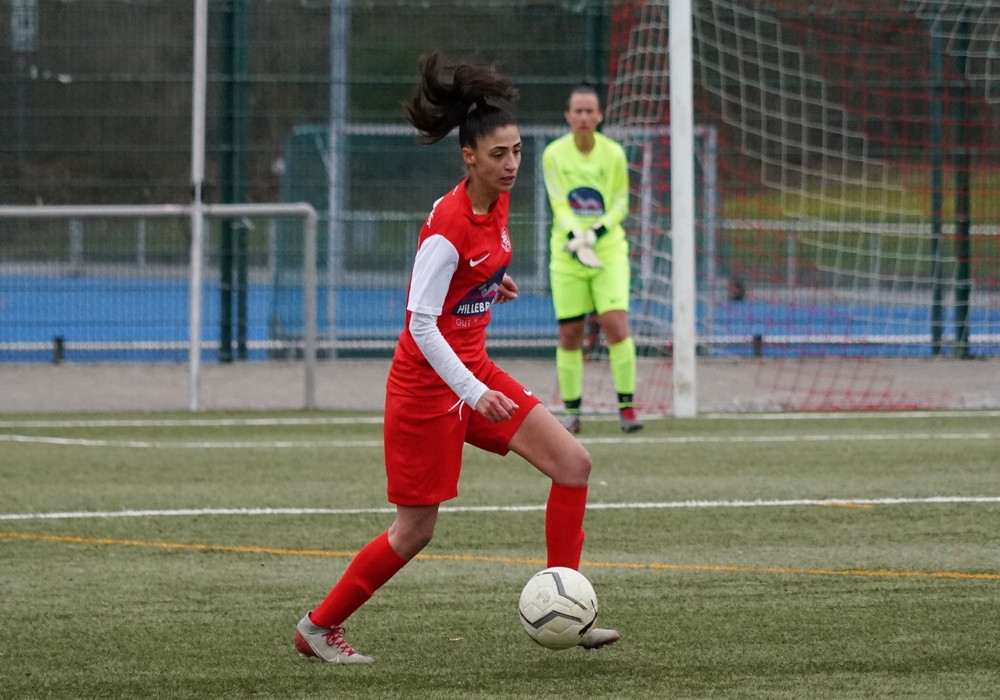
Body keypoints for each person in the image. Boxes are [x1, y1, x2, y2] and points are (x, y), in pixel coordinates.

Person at [293, 54, 620, 664]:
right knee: (414, 531)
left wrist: (490, 284)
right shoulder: (447, 226)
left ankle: (568, 609)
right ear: (468, 157)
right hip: (427, 391)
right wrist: (471, 391)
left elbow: (468, 277)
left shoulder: (497, 201)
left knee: (573, 464)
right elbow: (419, 323)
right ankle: (317, 627)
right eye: (499, 155)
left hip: (474, 376)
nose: (512, 164)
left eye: (517, 151)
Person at [543, 82, 643, 435]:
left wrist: (595, 232)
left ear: (599, 116)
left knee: (616, 324)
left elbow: (620, 203)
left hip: (607, 253)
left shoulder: (613, 154)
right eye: (578, 111)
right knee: (571, 332)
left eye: (590, 111)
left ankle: (627, 408)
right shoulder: (553, 154)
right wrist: (576, 236)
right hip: (568, 256)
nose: (584, 117)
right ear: (568, 116)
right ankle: (571, 412)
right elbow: (559, 203)